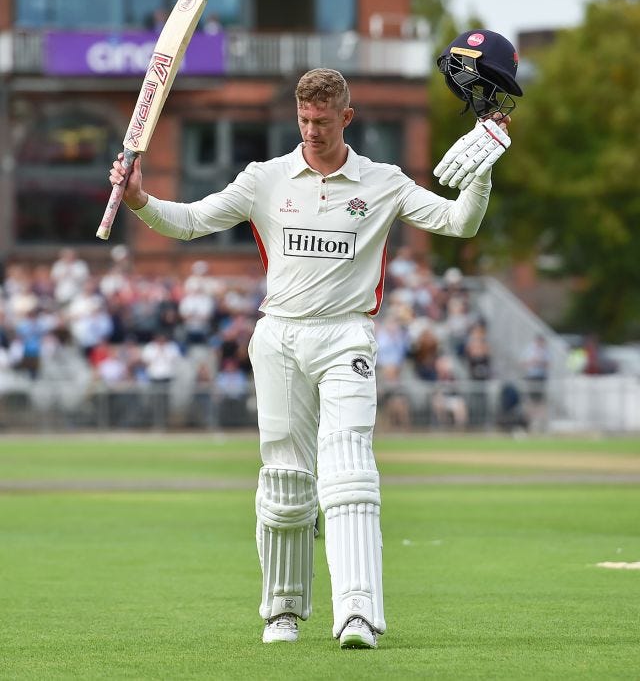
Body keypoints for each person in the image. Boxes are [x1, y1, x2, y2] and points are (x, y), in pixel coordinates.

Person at [109, 53, 517, 649]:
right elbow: (193, 221)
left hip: (346, 333)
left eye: (321, 121)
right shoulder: (264, 178)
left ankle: (357, 614)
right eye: (303, 120)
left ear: (346, 116)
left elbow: (459, 224)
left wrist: (481, 173)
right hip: (278, 336)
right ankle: (282, 612)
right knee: (285, 482)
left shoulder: (383, 181)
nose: (311, 131)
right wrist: (142, 200)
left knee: (349, 470)